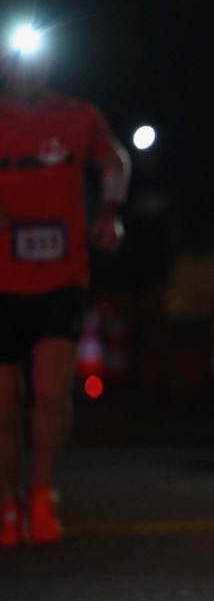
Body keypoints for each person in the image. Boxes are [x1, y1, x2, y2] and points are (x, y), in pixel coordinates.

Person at [0, 31, 131, 547]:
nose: (27, 74)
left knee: (52, 393)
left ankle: (40, 491)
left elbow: (115, 162)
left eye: (36, 64)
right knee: (4, 402)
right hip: (3, 283)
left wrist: (110, 213)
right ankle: (6, 504)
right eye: (16, 64)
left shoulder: (78, 116)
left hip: (62, 277)